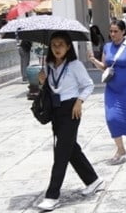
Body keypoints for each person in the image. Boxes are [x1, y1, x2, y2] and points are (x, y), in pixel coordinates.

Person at [36, 31, 103, 211]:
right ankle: (93, 180)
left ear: (67, 47)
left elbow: (88, 85)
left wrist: (79, 102)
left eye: (61, 44)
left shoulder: (75, 65)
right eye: (54, 45)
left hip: (71, 110)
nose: (57, 48)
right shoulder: (49, 66)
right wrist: (43, 82)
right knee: (70, 148)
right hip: (56, 111)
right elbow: (52, 89)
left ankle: (52, 195)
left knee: (61, 153)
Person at [89, 20, 126, 164]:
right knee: (111, 119)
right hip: (112, 89)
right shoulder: (107, 47)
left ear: (123, 32)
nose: (113, 34)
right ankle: (120, 148)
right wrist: (93, 60)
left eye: (116, 31)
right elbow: (105, 67)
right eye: (111, 31)